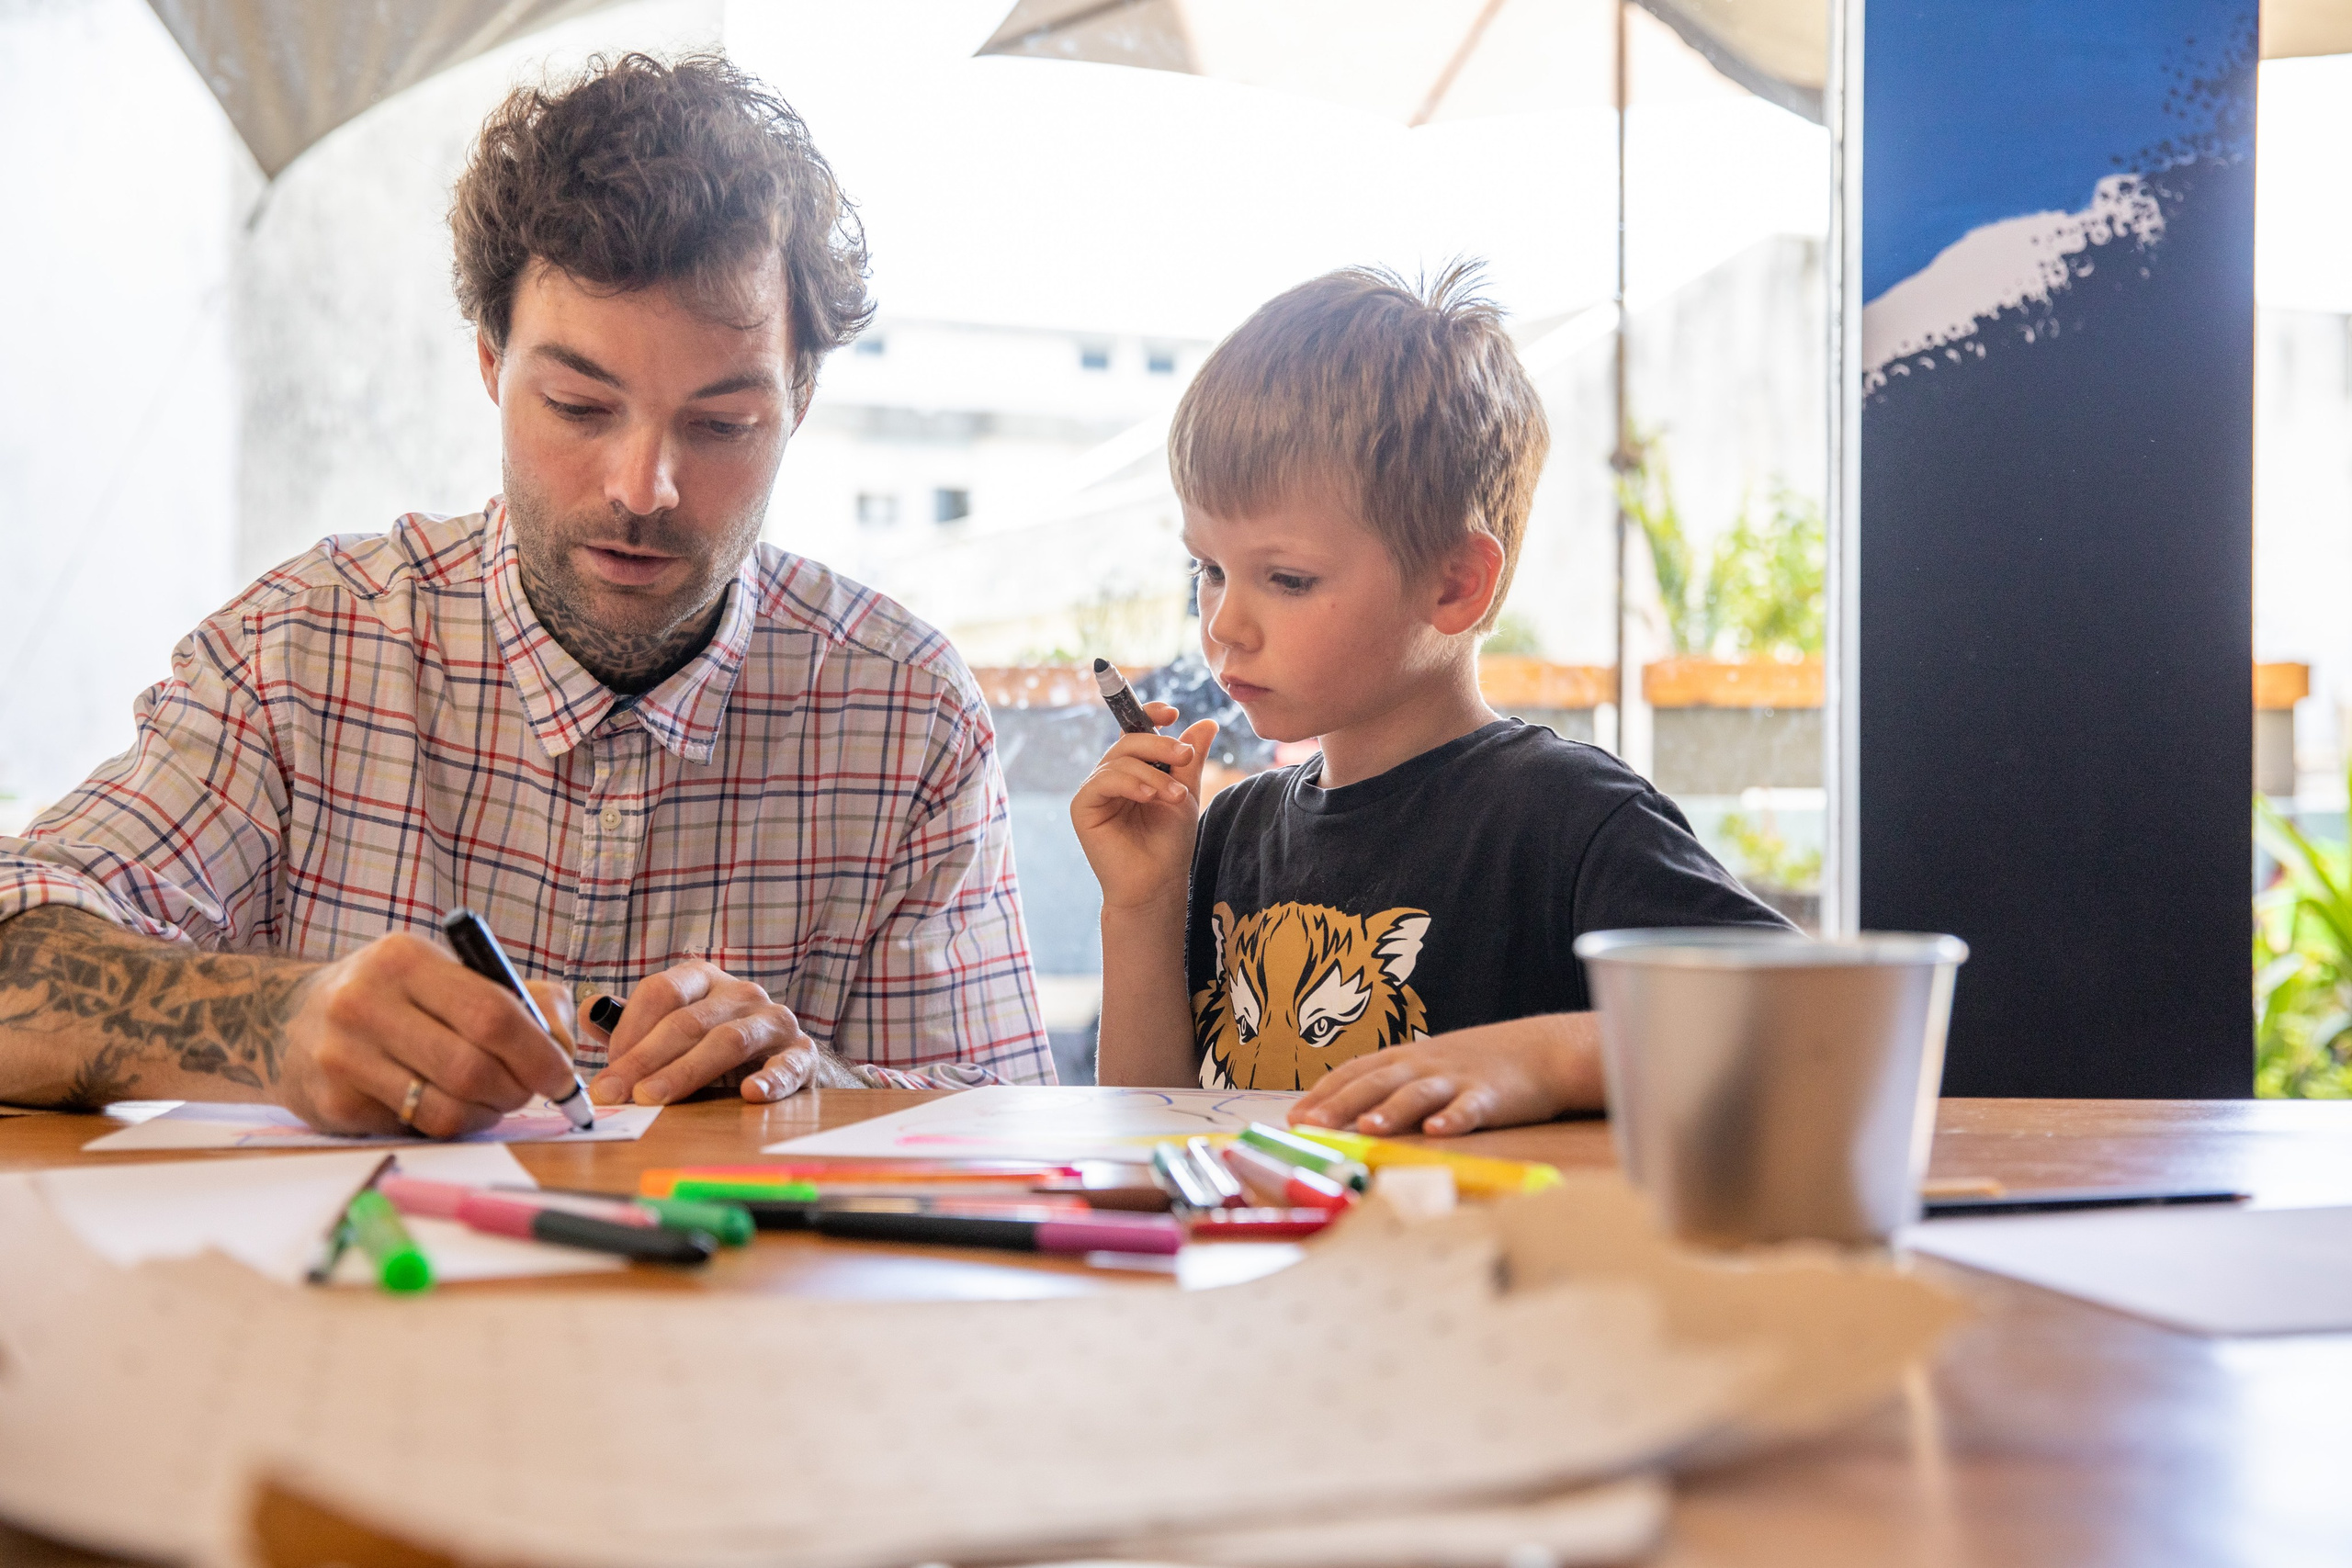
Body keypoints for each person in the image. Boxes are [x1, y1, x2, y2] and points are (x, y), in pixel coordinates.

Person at [0, 53, 1052, 1136]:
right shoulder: (301, 654)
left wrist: (811, 1083)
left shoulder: (909, 715)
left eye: (722, 425)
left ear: (802, 397)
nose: (643, 489)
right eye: (579, 405)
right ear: (491, 363)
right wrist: (275, 1021)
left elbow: (1009, 1135)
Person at [1070, 265, 1789, 1137]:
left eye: (1287, 578)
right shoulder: (1231, 831)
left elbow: (1799, 1015)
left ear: (1455, 583)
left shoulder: (1565, 816)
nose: (1224, 620)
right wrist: (1142, 906)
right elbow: (1157, 1128)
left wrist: (1545, 1058)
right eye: (1209, 568)